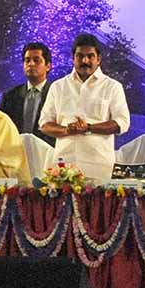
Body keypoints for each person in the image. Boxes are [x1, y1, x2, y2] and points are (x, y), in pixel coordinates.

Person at [39, 33, 130, 182]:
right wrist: (67, 130)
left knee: (99, 206)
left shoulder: (112, 87)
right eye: (80, 56)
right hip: (63, 168)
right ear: (73, 58)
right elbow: (44, 125)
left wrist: (88, 127)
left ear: (98, 59)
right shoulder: (58, 87)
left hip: (99, 168)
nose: (85, 60)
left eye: (90, 56)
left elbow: (122, 123)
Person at [0, 42, 55, 147]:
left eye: (36, 60)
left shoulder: (56, 94)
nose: (31, 64)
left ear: (48, 66)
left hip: (47, 153)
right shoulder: (10, 96)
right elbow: (3, 128)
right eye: (27, 60)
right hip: (15, 153)